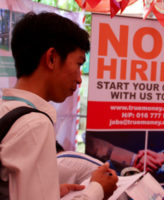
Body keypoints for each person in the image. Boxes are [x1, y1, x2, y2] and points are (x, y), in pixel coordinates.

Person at [0, 12, 118, 200]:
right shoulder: (34, 125)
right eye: (78, 64)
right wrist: (97, 189)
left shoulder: (6, 111)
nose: (80, 79)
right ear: (52, 58)